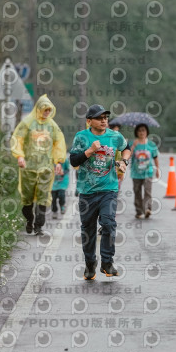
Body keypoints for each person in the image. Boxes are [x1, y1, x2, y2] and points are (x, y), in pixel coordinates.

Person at [70, 104, 131, 279]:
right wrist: (90, 151)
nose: (104, 121)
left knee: (108, 223)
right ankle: (90, 264)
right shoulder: (81, 137)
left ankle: (107, 262)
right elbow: (74, 161)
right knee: (88, 230)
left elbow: (127, 148)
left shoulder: (114, 136)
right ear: (89, 121)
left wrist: (123, 162)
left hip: (108, 189)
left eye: (105, 118)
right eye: (99, 118)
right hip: (87, 191)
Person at [10, 94, 66, 235]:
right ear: (38, 108)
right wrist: (20, 156)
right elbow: (17, 138)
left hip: (46, 168)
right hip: (28, 167)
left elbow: (59, 142)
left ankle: (39, 226)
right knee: (27, 199)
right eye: (44, 109)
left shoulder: (52, 126)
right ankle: (29, 220)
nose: (47, 112)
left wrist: (58, 161)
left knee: (43, 196)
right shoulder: (27, 123)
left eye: (49, 110)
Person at [130, 123, 160, 219]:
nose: (141, 132)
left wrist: (157, 169)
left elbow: (155, 157)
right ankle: (139, 211)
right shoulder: (132, 143)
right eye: (139, 130)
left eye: (143, 130)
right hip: (136, 173)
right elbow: (128, 155)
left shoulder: (151, 145)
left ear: (147, 132)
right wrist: (133, 147)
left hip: (148, 172)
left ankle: (147, 209)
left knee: (148, 191)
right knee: (137, 192)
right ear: (136, 132)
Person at [51, 153, 70, 220]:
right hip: (53, 183)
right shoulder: (50, 160)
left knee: (61, 195)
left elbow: (68, 169)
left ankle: (62, 205)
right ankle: (54, 211)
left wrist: (63, 173)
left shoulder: (65, 160)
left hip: (62, 182)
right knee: (53, 198)